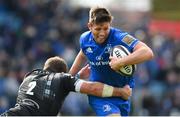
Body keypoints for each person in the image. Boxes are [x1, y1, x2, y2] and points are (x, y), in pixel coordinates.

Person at [69, 7, 154, 116]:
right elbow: (82, 53)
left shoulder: (120, 37)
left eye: (105, 28)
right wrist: (70, 75)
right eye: (98, 29)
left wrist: (121, 62)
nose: (102, 33)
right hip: (100, 95)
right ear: (90, 26)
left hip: (123, 95)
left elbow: (147, 52)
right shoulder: (84, 39)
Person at [0, 56, 132, 116]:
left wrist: (77, 76)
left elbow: (53, 86)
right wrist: (120, 92)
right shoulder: (62, 79)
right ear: (62, 73)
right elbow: (93, 88)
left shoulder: (29, 76)